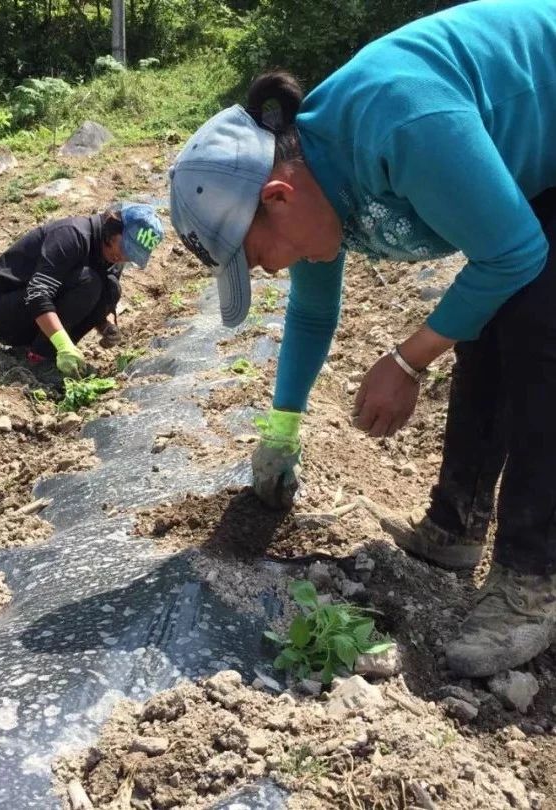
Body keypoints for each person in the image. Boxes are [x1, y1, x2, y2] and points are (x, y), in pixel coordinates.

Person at [168, 0, 556, 678]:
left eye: (258, 256)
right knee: (486, 327)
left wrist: (406, 361)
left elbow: (513, 252)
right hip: (534, 155)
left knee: (538, 332)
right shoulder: (315, 189)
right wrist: (281, 432)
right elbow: (313, 318)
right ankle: (453, 528)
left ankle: (531, 581)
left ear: (279, 196)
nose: (270, 271)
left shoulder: (397, 122)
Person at [0, 203, 164, 380]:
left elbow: (90, 299)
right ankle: (42, 358)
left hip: (33, 315)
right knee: (89, 281)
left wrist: (105, 326)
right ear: (114, 228)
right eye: (124, 247)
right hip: (2, 310)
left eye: (131, 255)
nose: (122, 257)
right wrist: (63, 345)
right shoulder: (72, 235)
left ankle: (48, 352)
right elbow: (37, 293)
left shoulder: (113, 257)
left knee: (110, 288)